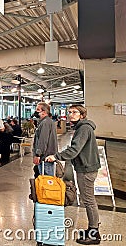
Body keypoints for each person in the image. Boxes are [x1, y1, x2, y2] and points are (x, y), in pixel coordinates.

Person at [45, 105, 101, 245]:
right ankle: (92, 229)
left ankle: (94, 234)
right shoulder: (82, 127)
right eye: (69, 112)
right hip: (86, 167)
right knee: (88, 199)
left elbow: (75, 149)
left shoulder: (83, 128)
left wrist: (56, 156)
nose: (71, 114)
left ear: (82, 115)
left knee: (88, 200)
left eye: (75, 112)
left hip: (86, 169)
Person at [32, 102, 58, 176]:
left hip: (45, 158)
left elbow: (43, 140)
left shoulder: (45, 123)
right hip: (47, 157)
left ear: (44, 112)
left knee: (47, 182)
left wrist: (38, 154)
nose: (36, 111)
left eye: (38, 109)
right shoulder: (47, 122)